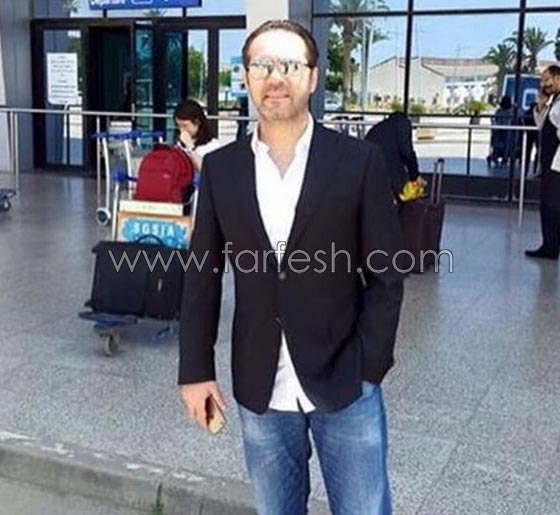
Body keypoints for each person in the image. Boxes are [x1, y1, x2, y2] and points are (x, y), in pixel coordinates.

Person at [178, 20, 404, 515]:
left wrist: (370, 365)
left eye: (290, 65)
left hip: (346, 379)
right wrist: (195, 369)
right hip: (260, 381)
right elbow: (202, 275)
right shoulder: (222, 169)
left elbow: (387, 274)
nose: (275, 77)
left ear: (313, 77)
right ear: (246, 77)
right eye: (262, 65)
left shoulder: (359, 161)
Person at [526, 65, 560, 260]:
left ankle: (551, 247)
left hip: (557, 163)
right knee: (547, 204)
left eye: (547, 80)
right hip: (549, 163)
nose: (543, 84)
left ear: (557, 79)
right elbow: (541, 124)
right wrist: (541, 106)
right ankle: (548, 245)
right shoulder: (554, 101)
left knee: (552, 205)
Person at [365, 112, 420, 198]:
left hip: (370, 172)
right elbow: (407, 152)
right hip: (390, 173)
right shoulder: (403, 124)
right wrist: (414, 175)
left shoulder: (379, 127)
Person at [174, 99, 221, 172]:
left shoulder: (213, 145)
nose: (181, 130)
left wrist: (190, 147)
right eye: (178, 126)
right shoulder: (178, 143)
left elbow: (206, 171)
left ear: (197, 122)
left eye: (185, 126)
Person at [487, 96, 514, 167]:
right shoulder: (511, 112)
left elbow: (495, 119)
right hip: (506, 130)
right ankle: (504, 158)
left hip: (499, 129)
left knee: (497, 143)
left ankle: (496, 156)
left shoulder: (499, 111)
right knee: (506, 144)